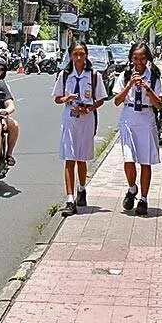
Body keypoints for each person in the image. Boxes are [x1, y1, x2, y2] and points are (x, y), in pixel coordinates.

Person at [112, 41, 162, 216]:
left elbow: (159, 104)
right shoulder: (125, 75)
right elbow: (117, 101)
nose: (139, 62)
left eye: (142, 58)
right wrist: (129, 86)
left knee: (145, 160)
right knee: (128, 159)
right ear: (131, 59)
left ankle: (143, 198)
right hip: (129, 117)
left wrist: (148, 88)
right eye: (136, 58)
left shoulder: (154, 76)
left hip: (146, 118)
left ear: (147, 58)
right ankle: (132, 188)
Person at [54, 42, 106, 216]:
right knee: (69, 157)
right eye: (75, 54)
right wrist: (66, 98)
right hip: (69, 117)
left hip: (86, 119)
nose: (78, 58)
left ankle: (81, 188)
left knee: (81, 158)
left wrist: (88, 109)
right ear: (70, 55)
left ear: (86, 55)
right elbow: (57, 99)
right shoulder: (65, 75)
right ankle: (70, 199)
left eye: (81, 54)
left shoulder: (93, 75)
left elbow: (100, 99)